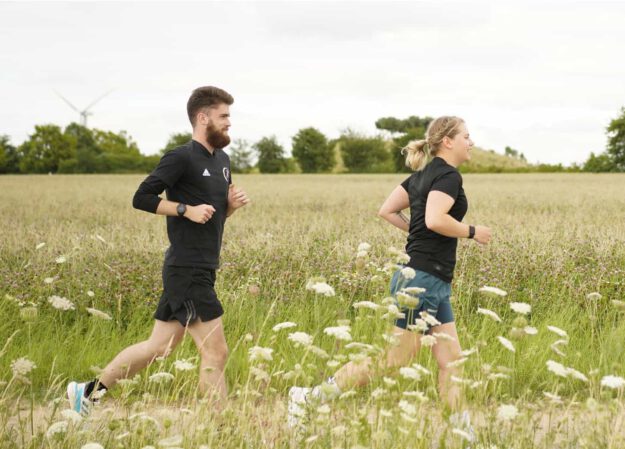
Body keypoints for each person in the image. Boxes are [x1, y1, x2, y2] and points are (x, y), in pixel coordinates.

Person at [288, 116, 492, 439]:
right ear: (448, 141)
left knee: (451, 361)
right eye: (467, 136)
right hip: (421, 281)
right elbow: (436, 219)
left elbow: (387, 210)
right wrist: (472, 232)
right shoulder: (449, 176)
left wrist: (416, 230)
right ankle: (308, 398)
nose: (472, 142)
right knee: (395, 357)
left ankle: (464, 438)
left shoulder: (422, 176)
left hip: (430, 279)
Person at [66, 86, 250, 414]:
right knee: (216, 353)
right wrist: (185, 210)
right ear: (202, 117)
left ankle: (88, 393)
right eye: (224, 116)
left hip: (202, 266)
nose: (229, 123)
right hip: (187, 269)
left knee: (159, 347)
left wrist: (229, 207)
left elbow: (213, 217)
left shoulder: (222, 160)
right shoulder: (181, 157)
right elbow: (142, 197)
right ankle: (220, 429)